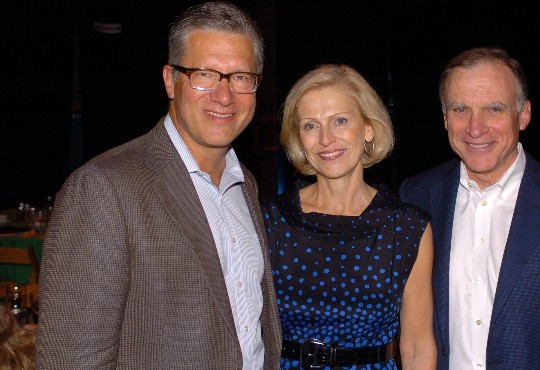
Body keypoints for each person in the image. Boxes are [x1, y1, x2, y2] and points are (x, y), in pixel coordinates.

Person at [35, 2, 281, 368]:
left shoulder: (245, 184)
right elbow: (71, 360)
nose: (225, 95)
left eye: (241, 77)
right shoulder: (102, 188)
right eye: (204, 74)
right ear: (170, 80)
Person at [399, 47, 540, 369]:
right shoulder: (417, 196)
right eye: (460, 109)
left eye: (494, 109)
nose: (475, 128)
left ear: (524, 115)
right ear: (444, 117)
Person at [262, 64, 437, 369]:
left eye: (339, 121)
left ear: (368, 127)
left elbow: (418, 346)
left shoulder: (407, 227)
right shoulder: (269, 220)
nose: (326, 138)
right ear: (298, 138)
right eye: (310, 125)